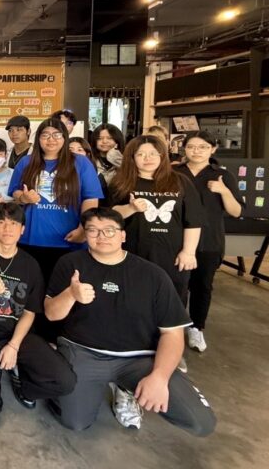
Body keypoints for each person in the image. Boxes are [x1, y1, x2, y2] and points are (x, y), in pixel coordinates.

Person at [44, 208, 216, 436]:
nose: (101, 236)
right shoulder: (70, 264)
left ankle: (124, 388)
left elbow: (172, 333)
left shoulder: (152, 275)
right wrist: (70, 295)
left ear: (123, 235)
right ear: (85, 235)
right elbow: (51, 314)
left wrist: (160, 377)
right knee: (75, 422)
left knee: (201, 422)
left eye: (109, 230)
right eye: (93, 230)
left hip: (138, 359)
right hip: (84, 353)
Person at [0, 202, 76, 422]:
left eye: (13, 223)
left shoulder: (30, 265)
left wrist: (13, 345)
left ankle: (25, 386)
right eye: (1, 222)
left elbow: (30, 312)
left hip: (19, 335)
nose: (7, 228)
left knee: (64, 380)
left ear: (22, 229)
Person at [110, 135, 203, 373]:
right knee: (133, 303)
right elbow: (110, 217)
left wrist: (188, 251)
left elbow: (193, 220)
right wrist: (130, 207)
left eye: (153, 153)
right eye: (141, 154)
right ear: (132, 158)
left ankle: (172, 354)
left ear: (163, 156)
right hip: (133, 256)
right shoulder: (122, 182)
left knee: (173, 306)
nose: (148, 158)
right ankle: (134, 350)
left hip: (172, 257)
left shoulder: (179, 181)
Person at [8, 118, 102, 288]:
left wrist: (84, 229)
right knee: (32, 290)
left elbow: (90, 199)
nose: (51, 139)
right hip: (31, 239)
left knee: (64, 290)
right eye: (45, 135)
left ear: (65, 137)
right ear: (38, 138)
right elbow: (15, 193)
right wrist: (24, 198)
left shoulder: (81, 163)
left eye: (56, 135)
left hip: (70, 239)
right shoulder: (26, 162)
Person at [175, 131, 241, 353]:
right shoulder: (174, 172)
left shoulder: (222, 175)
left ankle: (196, 327)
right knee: (176, 286)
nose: (196, 151)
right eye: (191, 146)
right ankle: (174, 328)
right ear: (184, 149)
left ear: (213, 149)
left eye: (203, 147)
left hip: (209, 241)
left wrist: (224, 191)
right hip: (176, 239)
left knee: (202, 286)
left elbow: (236, 211)